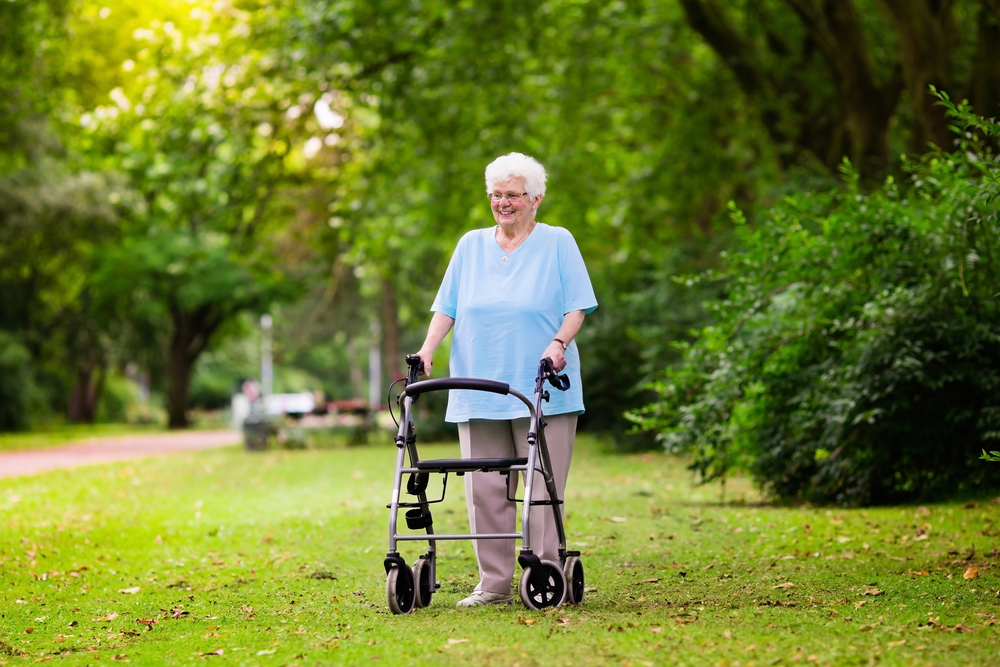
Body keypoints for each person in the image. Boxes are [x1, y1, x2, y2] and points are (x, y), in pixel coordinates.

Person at [414, 152, 598, 607]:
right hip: (478, 386)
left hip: (542, 386)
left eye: (512, 194)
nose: (503, 203)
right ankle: (493, 583)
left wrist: (558, 344)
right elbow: (447, 307)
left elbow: (577, 306)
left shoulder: (558, 242)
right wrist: (428, 348)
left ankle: (545, 575)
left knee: (540, 487)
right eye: (496, 194)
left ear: (536, 197)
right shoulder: (470, 246)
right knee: (485, 488)